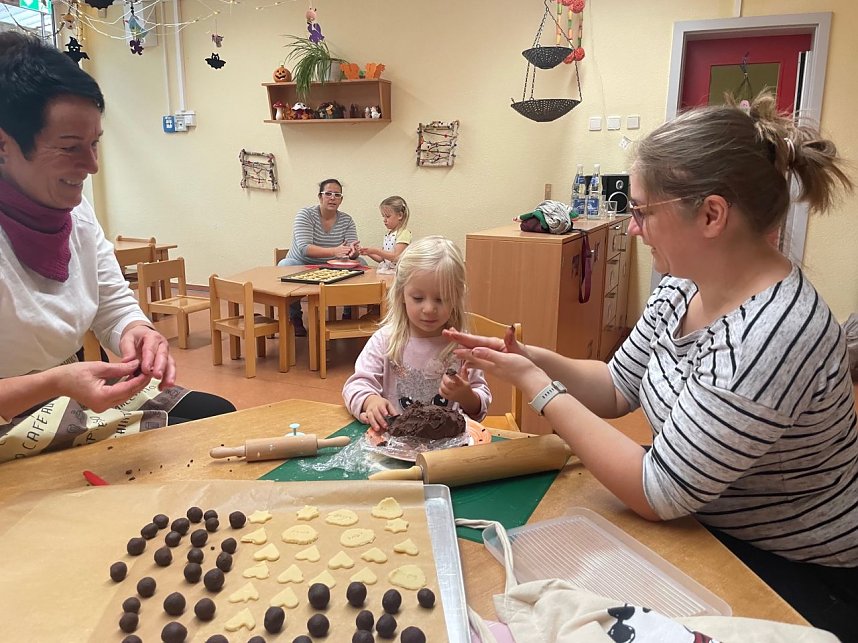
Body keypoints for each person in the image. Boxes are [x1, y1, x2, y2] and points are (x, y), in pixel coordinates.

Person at [446, 93, 857, 638]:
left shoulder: (772, 335)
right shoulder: (682, 286)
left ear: (711, 215)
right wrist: (531, 359)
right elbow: (617, 386)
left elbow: (656, 491)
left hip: (794, 576)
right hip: (700, 523)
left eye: (641, 211)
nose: (632, 228)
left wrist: (540, 390)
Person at [0, 32, 234, 462]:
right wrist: (55, 382)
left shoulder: (75, 210)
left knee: (217, 417)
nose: (91, 165)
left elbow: (111, 300)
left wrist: (136, 330)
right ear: (3, 145)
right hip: (16, 407)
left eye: (95, 143)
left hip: (62, 386)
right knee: (173, 452)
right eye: (70, 148)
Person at [343, 236, 491, 433]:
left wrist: (467, 397)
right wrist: (370, 401)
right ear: (401, 294)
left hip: (450, 446)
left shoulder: (463, 346)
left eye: (441, 299)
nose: (429, 309)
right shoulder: (384, 341)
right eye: (418, 298)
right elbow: (356, 385)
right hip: (394, 443)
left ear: (456, 298)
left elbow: (480, 404)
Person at [278, 178, 361, 336]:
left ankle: (348, 313)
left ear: (341, 199)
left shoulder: (347, 220)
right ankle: (295, 317)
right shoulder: (305, 214)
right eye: (328, 193)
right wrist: (334, 251)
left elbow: (351, 249)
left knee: (361, 262)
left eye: (337, 195)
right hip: (302, 263)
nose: (332, 198)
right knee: (285, 264)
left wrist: (353, 251)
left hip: (333, 265)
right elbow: (304, 248)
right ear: (320, 197)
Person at [359, 195, 413, 273]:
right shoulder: (388, 234)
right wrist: (369, 252)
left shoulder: (403, 233)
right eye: (383, 216)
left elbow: (396, 257)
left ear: (400, 215)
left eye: (387, 216)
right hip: (387, 272)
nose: (384, 220)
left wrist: (376, 250)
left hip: (398, 273)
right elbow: (382, 259)